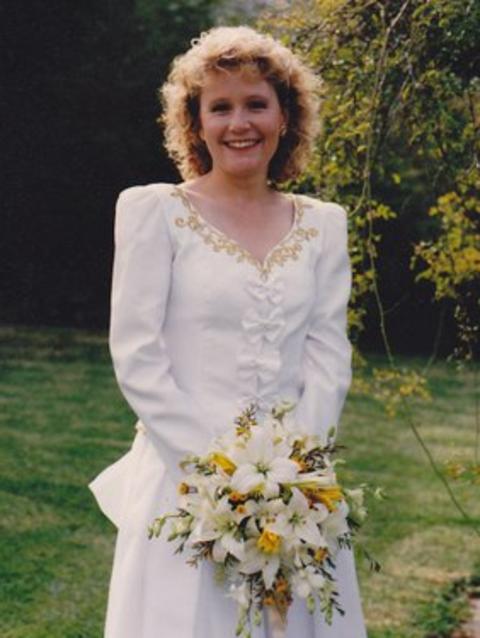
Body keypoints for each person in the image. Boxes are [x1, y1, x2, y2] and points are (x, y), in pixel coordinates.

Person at [89, 25, 367, 638]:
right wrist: (220, 480)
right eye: (220, 107)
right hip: (187, 484)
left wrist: (295, 475)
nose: (239, 123)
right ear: (196, 123)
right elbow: (137, 354)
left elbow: (327, 352)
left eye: (256, 104)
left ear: (286, 116)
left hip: (297, 491)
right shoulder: (155, 211)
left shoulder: (322, 226)